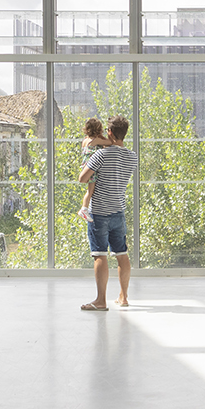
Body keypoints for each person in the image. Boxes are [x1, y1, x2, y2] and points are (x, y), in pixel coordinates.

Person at [78, 115, 137, 311]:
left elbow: (83, 179)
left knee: (100, 255)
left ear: (110, 132)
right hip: (118, 211)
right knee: (122, 254)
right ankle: (124, 296)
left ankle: (101, 301)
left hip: (99, 213)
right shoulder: (132, 156)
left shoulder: (100, 155)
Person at [78, 117, 114, 221]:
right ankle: (84, 209)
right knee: (91, 191)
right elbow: (110, 143)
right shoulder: (96, 140)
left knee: (90, 190)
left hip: (86, 167)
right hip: (92, 168)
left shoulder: (85, 140)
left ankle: (85, 208)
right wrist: (104, 136)